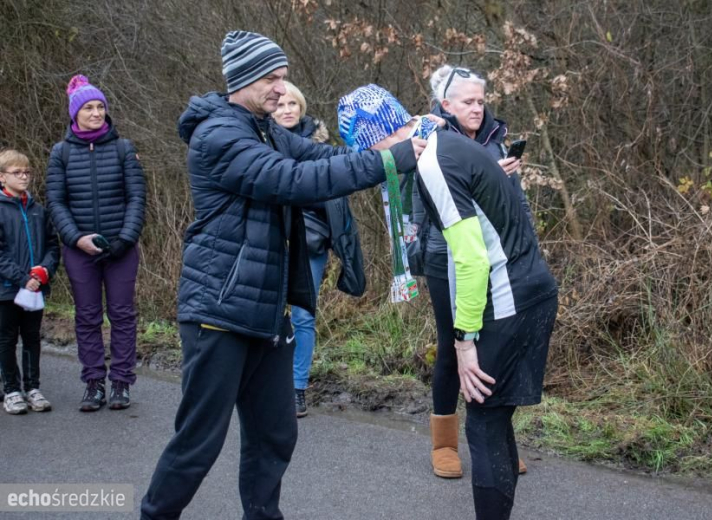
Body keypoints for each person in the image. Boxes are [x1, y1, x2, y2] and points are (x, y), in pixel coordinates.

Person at [139, 31, 424, 520]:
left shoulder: (264, 129)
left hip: (268, 311)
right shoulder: (219, 135)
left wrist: (395, 143)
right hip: (219, 311)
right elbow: (292, 181)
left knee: (275, 434)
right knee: (199, 442)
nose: (281, 88)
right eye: (272, 78)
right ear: (244, 79)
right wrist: (391, 161)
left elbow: (320, 158)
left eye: (285, 78)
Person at [338, 84, 558, 520]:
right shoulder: (443, 139)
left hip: (508, 295)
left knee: (482, 424)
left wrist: (463, 341)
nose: (372, 166)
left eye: (367, 153)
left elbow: (472, 260)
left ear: (376, 139)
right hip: (532, 288)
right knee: (494, 420)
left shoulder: (434, 163)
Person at [413, 64, 534, 478]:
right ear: (445, 104)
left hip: (497, 258)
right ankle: (444, 443)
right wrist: (481, 177)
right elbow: (427, 201)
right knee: (453, 345)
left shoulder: (496, 142)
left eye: (481, 101)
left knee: (495, 345)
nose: (478, 109)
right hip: (446, 256)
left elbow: (511, 208)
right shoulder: (429, 140)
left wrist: (501, 180)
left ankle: (496, 440)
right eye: (468, 102)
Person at [46, 75, 147, 412]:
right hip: (79, 252)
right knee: (87, 317)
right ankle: (93, 383)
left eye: (100, 106)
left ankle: (121, 383)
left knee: (121, 315)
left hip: (120, 250)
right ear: (75, 113)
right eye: (88, 107)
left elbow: (136, 198)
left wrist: (124, 239)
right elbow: (56, 202)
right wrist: (76, 238)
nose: (96, 113)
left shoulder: (123, 148)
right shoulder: (60, 153)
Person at [272, 81, 366, 418]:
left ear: (302, 108)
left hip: (310, 242)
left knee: (303, 316)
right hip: (269, 240)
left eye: (292, 104)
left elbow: (326, 194)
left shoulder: (320, 144)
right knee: (268, 315)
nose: (286, 110)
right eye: (280, 104)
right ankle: (268, 385)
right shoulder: (261, 143)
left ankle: (297, 389)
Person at [0, 149, 60, 414]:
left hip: (35, 288)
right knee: (6, 340)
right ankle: (11, 390)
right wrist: (24, 279)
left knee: (32, 337)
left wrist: (42, 273)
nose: (24, 177)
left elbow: (52, 246)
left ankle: (33, 387)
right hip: (7, 289)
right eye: (17, 172)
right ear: (2, 177)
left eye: (27, 172)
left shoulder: (39, 210)